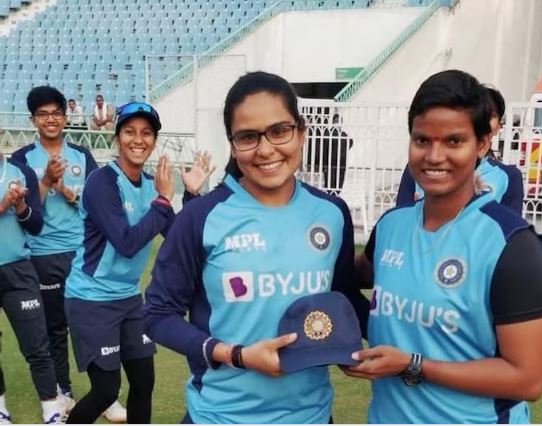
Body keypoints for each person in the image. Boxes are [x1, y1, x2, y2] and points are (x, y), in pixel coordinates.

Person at [143, 71, 362, 423]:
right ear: (232, 145)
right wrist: (235, 354)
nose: (265, 149)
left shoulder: (332, 213)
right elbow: (156, 315)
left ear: (301, 132)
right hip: (219, 416)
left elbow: (342, 298)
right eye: (248, 137)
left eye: (279, 131)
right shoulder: (200, 218)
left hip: (311, 416)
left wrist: (394, 350)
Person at [349, 70, 542, 423]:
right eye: (422, 140)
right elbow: (348, 277)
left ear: (482, 144)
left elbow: (528, 379)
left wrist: (413, 364)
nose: (434, 155)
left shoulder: (512, 246)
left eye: (454, 141)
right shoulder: (391, 227)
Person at [64, 102, 214, 424]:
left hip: (129, 299)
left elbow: (180, 240)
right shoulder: (102, 183)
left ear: (154, 141)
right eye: (130, 131)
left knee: (144, 383)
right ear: (117, 137)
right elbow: (127, 243)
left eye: (147, 133)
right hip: (91, 299)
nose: (138, 139)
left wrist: (190, 195)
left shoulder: (150, 185)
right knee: (106, 390)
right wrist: (163, 200)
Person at [11, 86, 99, 403]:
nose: (50, 119)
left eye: (56, 113)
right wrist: (47, 181)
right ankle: (64, 390)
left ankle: (104, 393)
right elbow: (24, 210)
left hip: (80, 251)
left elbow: (97, 204)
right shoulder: (21, 159)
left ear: (65, 117)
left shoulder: (82, 155)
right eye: (43, 114)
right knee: (55, 327)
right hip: (41, 254)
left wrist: (66, 191)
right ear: (33, 120)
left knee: (90, 322)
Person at [0, 149, 73, 423]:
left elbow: (36, 225)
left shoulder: (21, 171)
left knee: (37, 343)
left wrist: (20, 206)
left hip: (18, 271)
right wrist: (2, 205)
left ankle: (51, 409)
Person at [396, 84, 524, 215]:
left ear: (497, 128)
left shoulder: (508, 177)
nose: (481, 121)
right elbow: (401, 217)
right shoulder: (419, 166)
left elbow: (509, 225)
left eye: (490, 115)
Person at [322, 113, 354, 194]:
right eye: (336, 121)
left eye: (339, 121)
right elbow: (324, 149)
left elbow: (350, 143)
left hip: (338, 165)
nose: (337, 123)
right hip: (332, 165)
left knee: (334, 187)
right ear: (333, 122)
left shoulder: (342, 135)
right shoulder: (329, 134)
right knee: (333, 186)